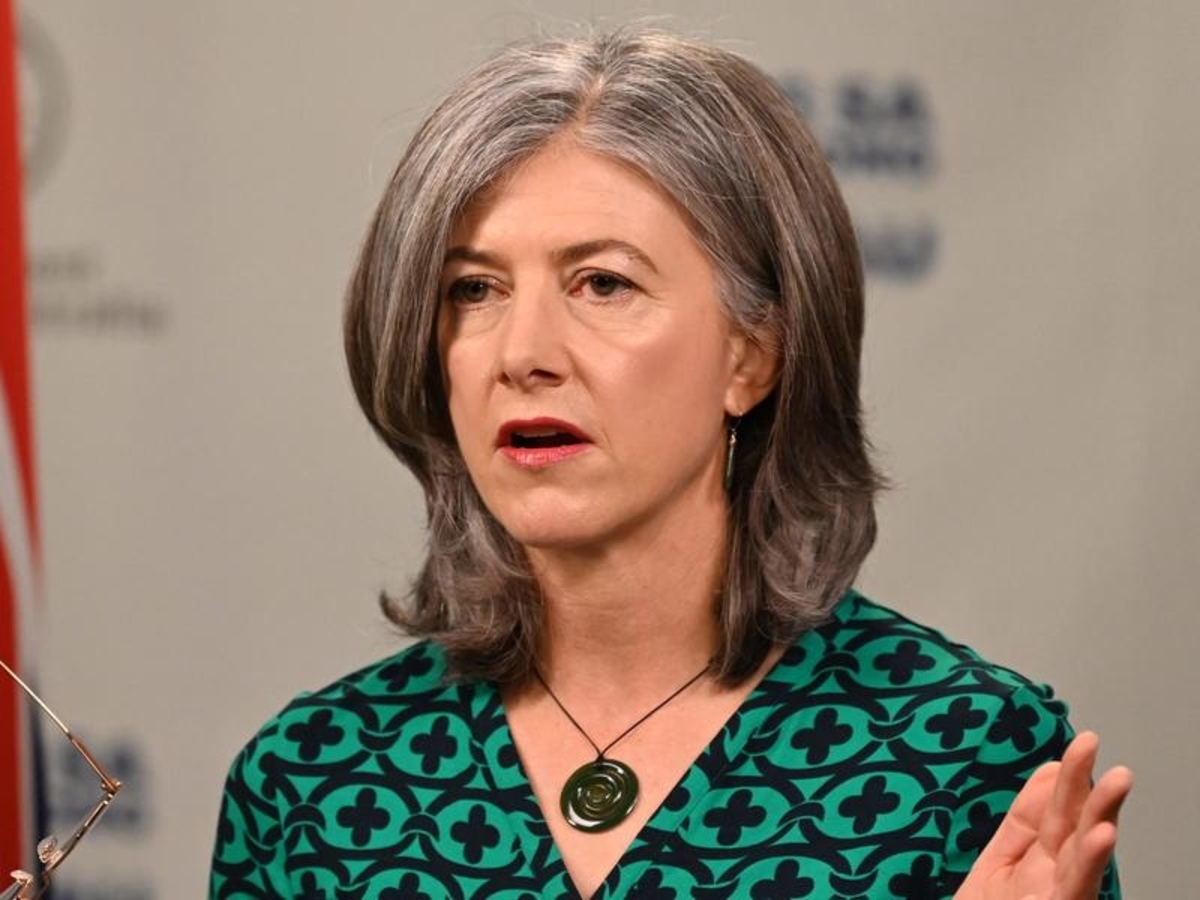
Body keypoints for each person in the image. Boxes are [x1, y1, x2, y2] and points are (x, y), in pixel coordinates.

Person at [209, 27, 1130, 899]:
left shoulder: (969, 757)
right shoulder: (311, 783)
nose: (522, 353)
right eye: (475, 290)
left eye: (602, 283)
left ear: (752, 355)